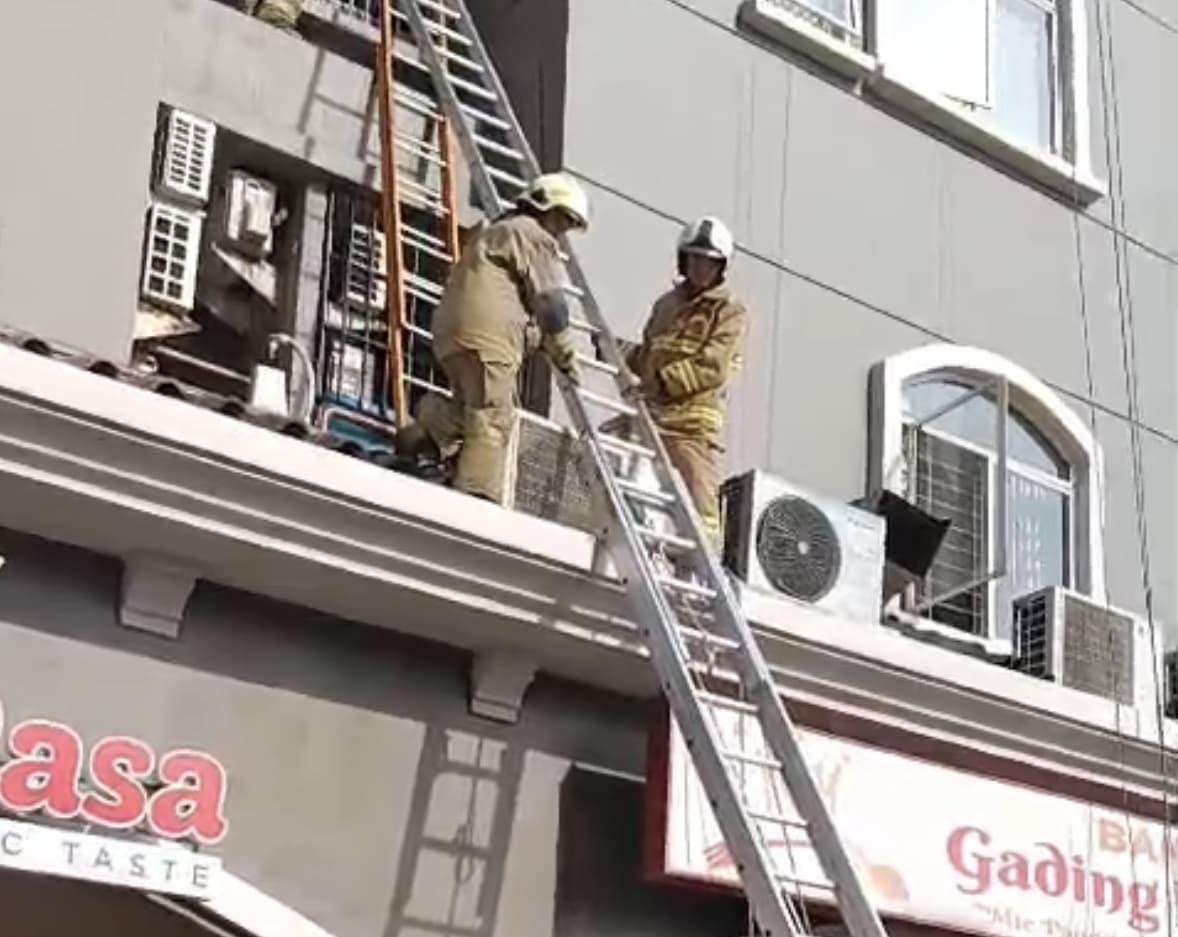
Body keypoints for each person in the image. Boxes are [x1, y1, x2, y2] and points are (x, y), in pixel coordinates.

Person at [394, 172, 587, 503]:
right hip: (488, 338)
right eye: (563, 218)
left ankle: (424, 428)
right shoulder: (534, 235)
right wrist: (566, 355)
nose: (562, 229)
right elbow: (551, 305)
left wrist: (537, 338)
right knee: (493, 418)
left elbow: (508, 297)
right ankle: (475, 497)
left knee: (472, 409)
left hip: (452, 334)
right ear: (545, 207)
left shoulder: (496, 230)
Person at [622, 217, 747, 550]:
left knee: (701, 510)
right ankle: (645, 547)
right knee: (623, 471)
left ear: (721, 266)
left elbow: (712, 367)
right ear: (683, 259)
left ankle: (699, 570)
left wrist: (660, 383)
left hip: (692, 426)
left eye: (708, 262)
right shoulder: (666, 305)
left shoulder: (729, 310)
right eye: (694, 258)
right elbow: (652, 354)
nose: (700, 268)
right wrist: (622, 354)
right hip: (653, 417)